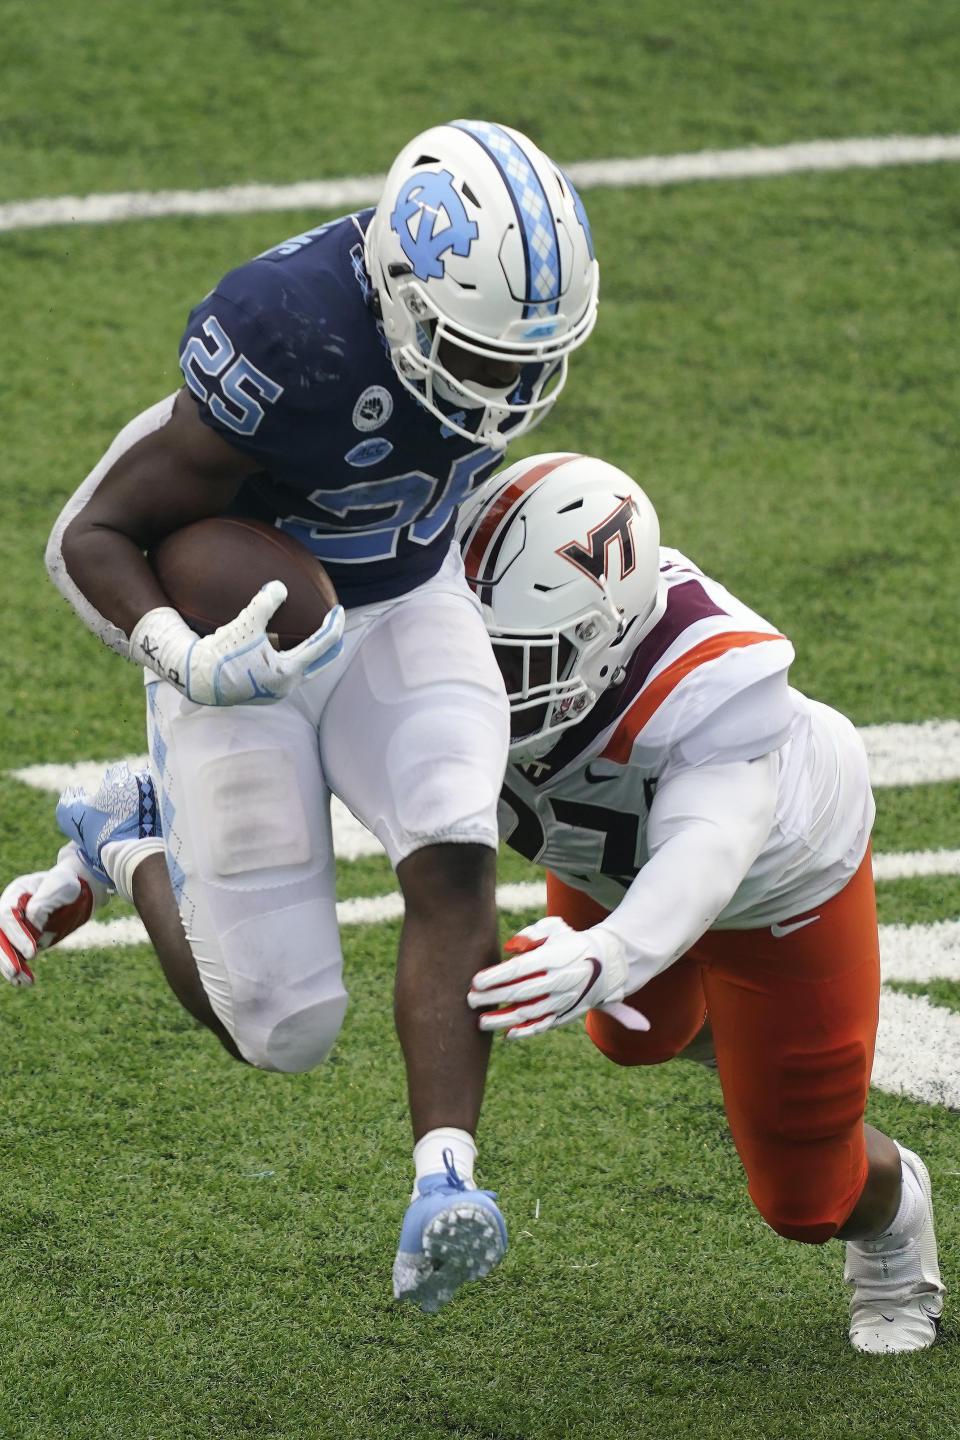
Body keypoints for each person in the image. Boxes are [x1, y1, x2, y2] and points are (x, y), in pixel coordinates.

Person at [2, 122, 599, 1313]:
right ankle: (126, 836)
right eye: (473, 354)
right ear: (396, 291)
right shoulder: (285, 330)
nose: (503, 390)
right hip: (251, 640)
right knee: (279, 1027)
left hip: (406, 601)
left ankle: (445, 1181)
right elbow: (94, 538)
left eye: (518, 360)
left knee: (452, 834)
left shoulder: (477, 346)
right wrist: (184, 656)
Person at [455, 452, 945, 1355]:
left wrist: (606, 953)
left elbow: (705, 854)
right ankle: (763, 1054)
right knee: (631, 1033)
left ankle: (892, 1218)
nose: (483, 686)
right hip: (613, 865)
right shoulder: (481, 634)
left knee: (806, 1199)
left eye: (516, 661)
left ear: (603, 639)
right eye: (469, 650)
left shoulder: (711, 693)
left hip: (778, 894)